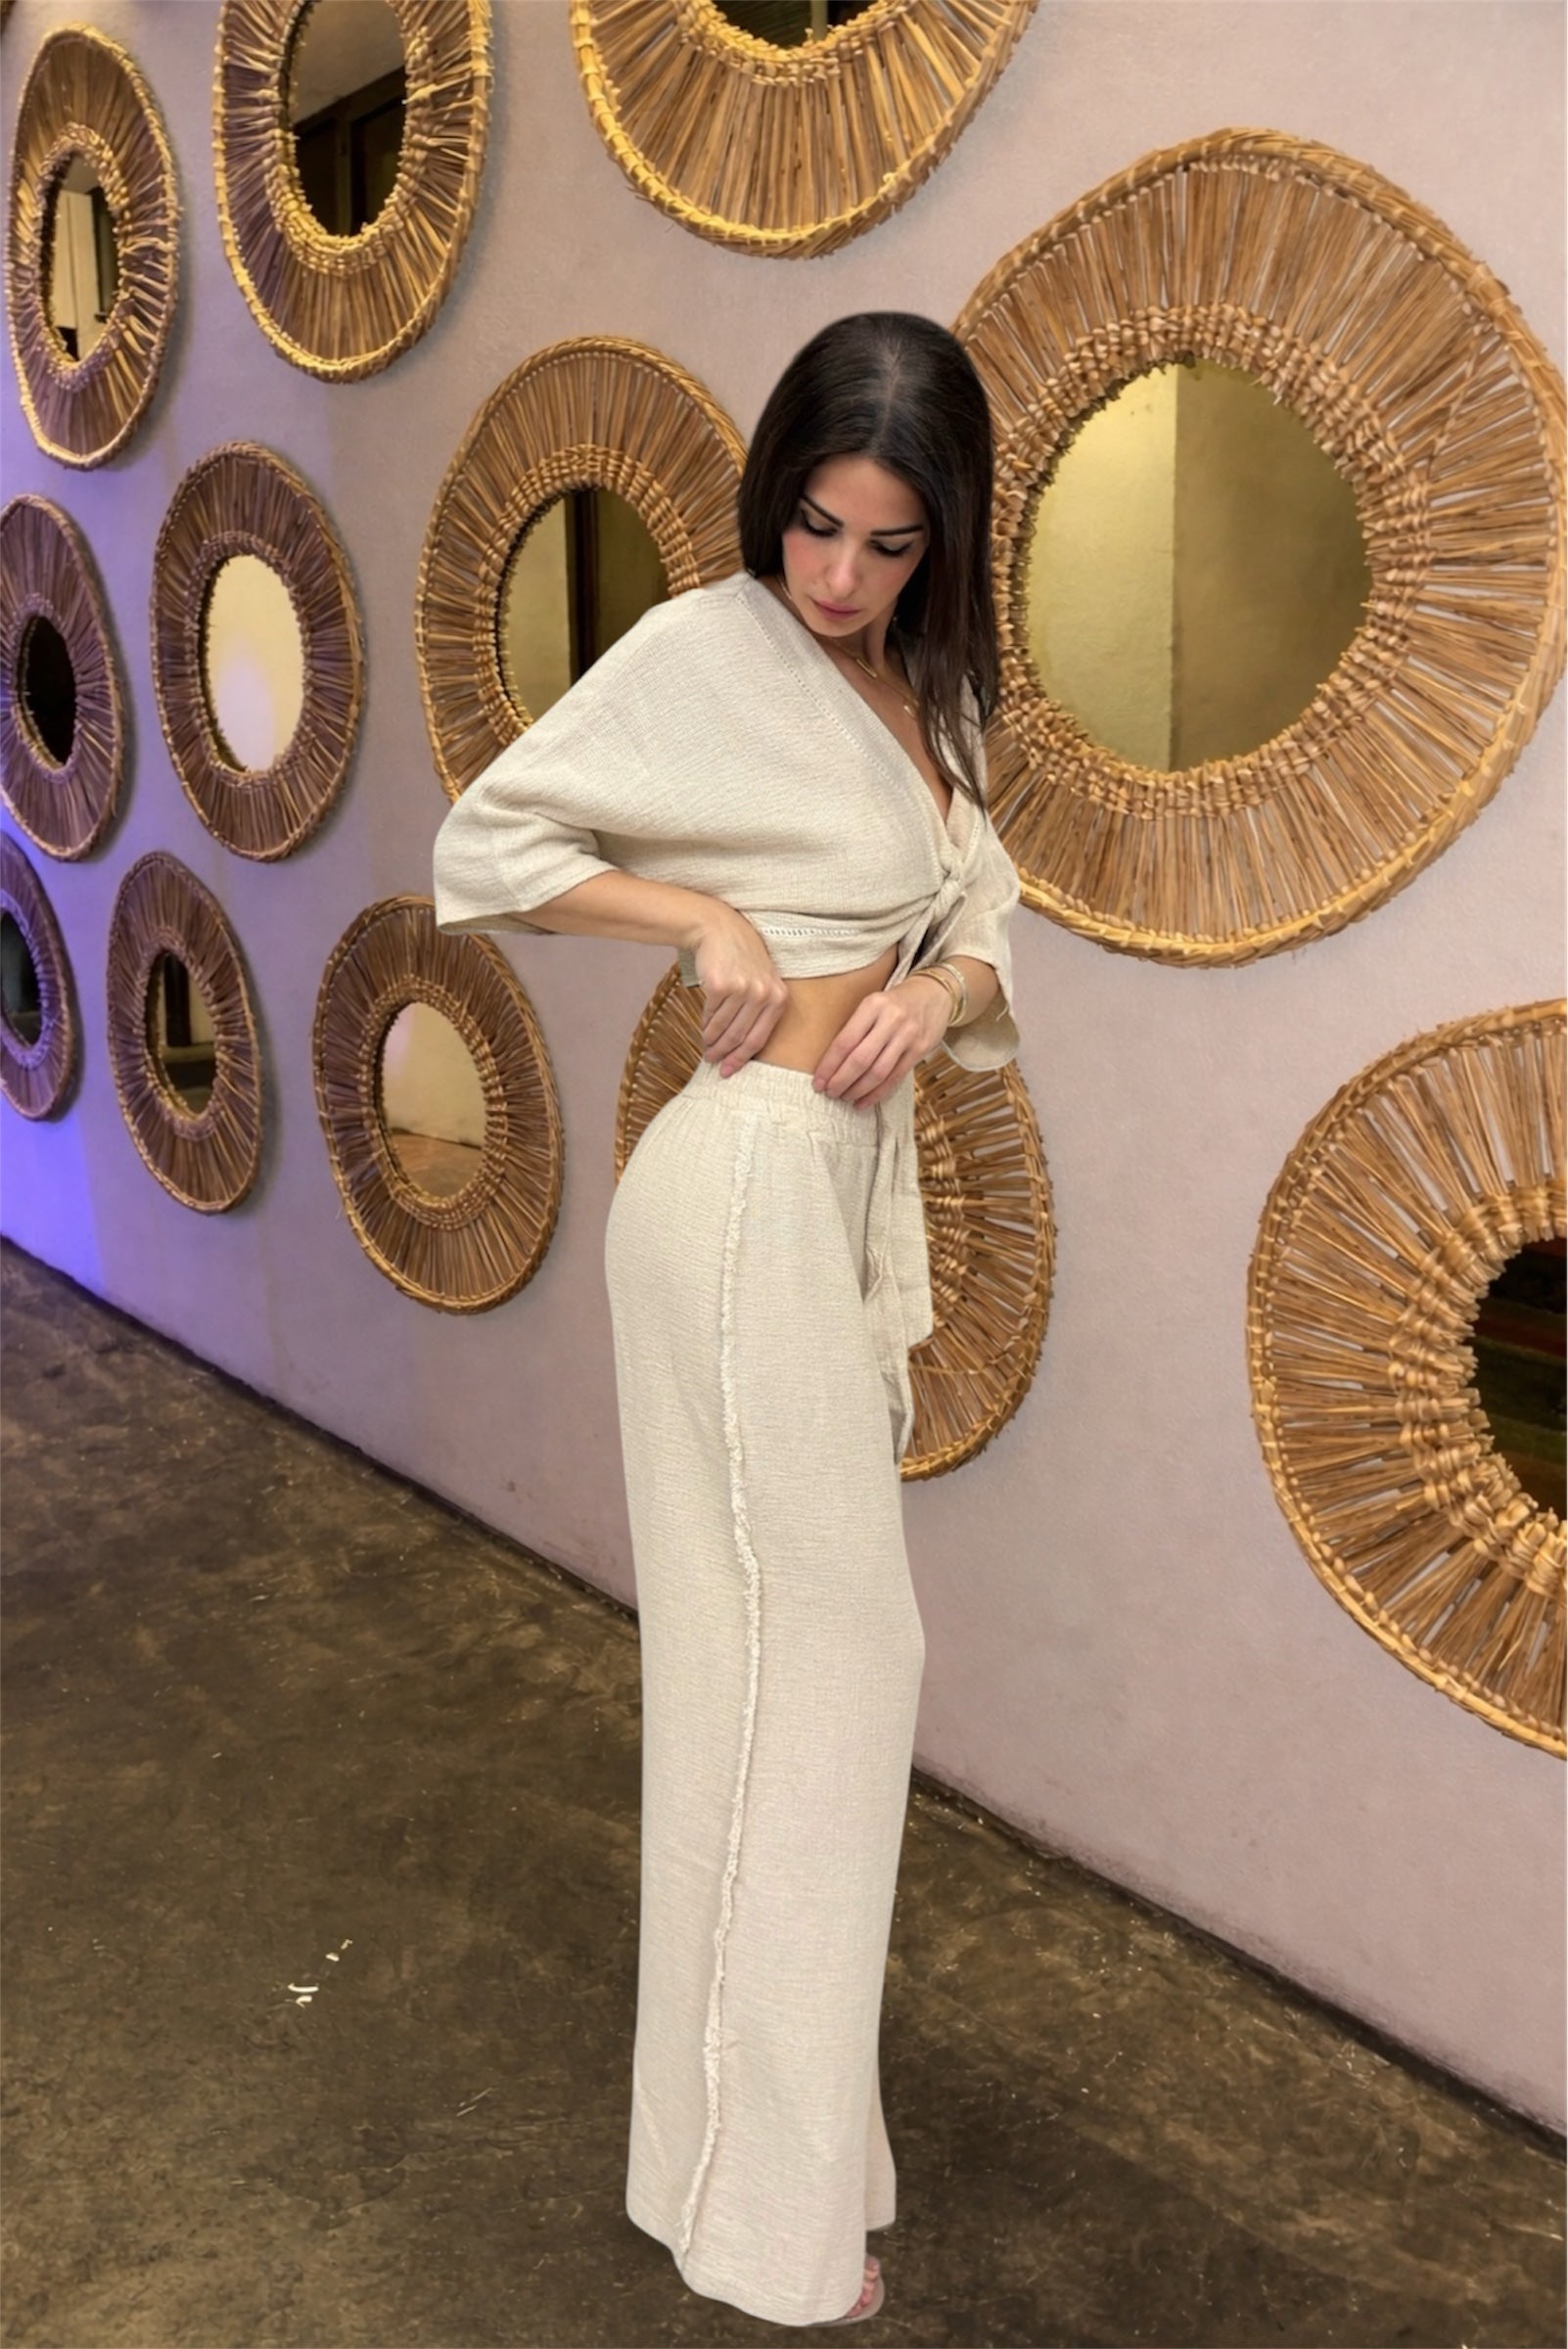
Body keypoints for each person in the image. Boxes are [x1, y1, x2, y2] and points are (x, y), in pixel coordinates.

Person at [432, 311, 1021, 2328]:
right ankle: (765, 2221)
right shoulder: (710, 651)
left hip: (821, 1187)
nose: (838, 577)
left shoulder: (922, 695)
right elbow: (486, 843)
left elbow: (983, 910)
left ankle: (755, 2166)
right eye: (814, 527)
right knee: (823, 1674)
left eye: (885, 542)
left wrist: (939, 992)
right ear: (774, 500)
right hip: (748, 1185)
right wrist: (702, 918)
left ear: (946, 547)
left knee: (774, 1686)